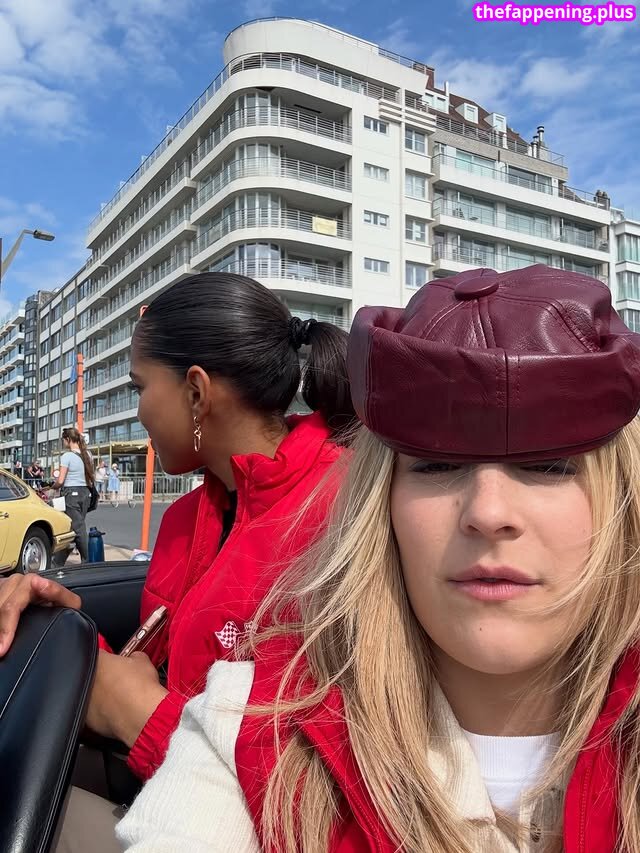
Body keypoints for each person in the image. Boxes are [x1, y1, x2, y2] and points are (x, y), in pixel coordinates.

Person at [118, 265, 640, 853]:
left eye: (548, 463)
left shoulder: (307, 513)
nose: (489, 511)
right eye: (436, 464)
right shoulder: (251, 715)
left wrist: (135, 714)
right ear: (380, 505)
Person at [0, 271, 355, 853]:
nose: (139, 411)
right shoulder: (187, 517)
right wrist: (66, 625)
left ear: (196, 392)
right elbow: (155, 667)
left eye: (141, 386)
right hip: (153, 791)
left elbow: (322, 800)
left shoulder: (343, 519)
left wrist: (139, 716)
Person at [51, 427, 95, 562]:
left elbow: (60, 480)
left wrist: (52, 487)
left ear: (68, 439)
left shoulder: (67, 456)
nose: (63, 442)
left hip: (71, 494)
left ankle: (87, 561)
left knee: (77, 528)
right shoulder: (88, 455)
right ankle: (58, 562)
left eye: (64, 440)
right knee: (72, 527)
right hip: (85, 493)